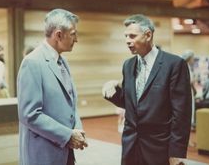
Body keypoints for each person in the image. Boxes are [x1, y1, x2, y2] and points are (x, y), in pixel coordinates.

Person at [102, 14, 192, 165]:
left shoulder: (174, 64)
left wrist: (176, 152)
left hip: (159, 147)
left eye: (132, 36)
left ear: (148, 35)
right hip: (131, 145)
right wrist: (112, 92)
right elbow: (132, 104)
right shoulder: (128, 65)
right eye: (125, 36)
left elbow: (182, 113)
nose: (127, 41)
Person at [17, 9, 88, 165]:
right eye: (73, 34)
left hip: (65, 151)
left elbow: (71, 103)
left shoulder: (63, 62)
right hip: (43, 153)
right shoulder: (32, 62)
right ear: (58, 35)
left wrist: (77, 131)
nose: (76, 39)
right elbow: (29, 114)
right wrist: (67, 135)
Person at [181, 50, 196, 128]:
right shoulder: (186, 67)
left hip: (188, 91)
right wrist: (194, 89)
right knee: (190, 107)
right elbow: (190, 81)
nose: (193, 60)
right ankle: (190, 124)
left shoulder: (186, 66)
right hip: (188, 91)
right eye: (193, 58)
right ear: (189, 58)